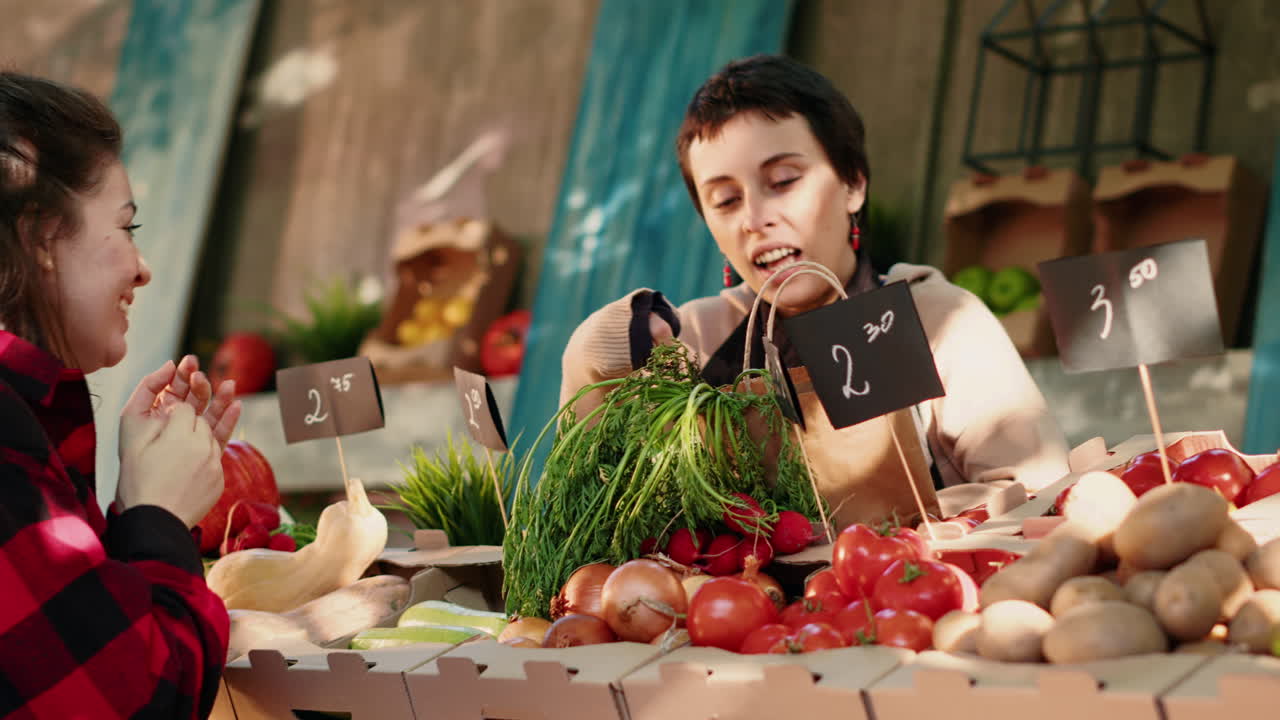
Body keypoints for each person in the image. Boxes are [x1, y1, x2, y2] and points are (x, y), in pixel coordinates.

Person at [561, 55, 1070, 528]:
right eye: (726, 200)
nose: (757, 218)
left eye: (783, 180)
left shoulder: (940, 321)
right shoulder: (691, 340)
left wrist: (895, 533)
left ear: (853, 184)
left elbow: (1036, 494)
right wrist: (599, 352)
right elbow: (594, 508)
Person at [1, 72, 240, 719]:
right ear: (40, 236)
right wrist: (158, 519)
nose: (142, 267)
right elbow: (142, 698)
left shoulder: (34, 417)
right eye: (126, 226)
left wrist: (140, 502)